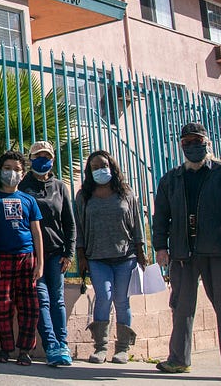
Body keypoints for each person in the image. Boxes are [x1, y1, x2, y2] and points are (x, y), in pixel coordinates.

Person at [153, 122, 221, 385]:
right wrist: (161, 247)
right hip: (183, 254)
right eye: (187, 142)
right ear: (181, 146)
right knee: (181, 307)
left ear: (207, 143)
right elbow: (161, 216)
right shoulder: (171, 179)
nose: (193, 146)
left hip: (219, 252)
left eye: (197, 141)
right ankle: (178, 360)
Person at [75, 150, 148, 364]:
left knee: (122, 300)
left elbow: (136, 224)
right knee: (104, 297)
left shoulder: (126, 192)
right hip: (97, 257)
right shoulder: (84, 195)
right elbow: (79, 227)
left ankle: (123, 349)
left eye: (103, 165)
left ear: (112, 166)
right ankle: (101, 347)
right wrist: (81, 255)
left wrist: (142, 252)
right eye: (94, 167)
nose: (100, 170)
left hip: (125, 256)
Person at [19, 140, 75, 366]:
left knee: (57, 299)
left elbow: (69, 223)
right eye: (37, 156)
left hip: (56, 253)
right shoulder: (23, 186)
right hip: (32, 254)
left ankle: (63, 344)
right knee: (41, 299)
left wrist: (69, 252)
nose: (42, 159)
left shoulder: (60, 187)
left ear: (52, 159)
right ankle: (50, 345)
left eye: (46, 156)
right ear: (31, 159)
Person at [0, 150, 43, 366]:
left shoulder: (28, 200)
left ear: (23, 174)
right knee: (3, 303)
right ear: (0, 170)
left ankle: (25, 350)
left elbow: (36, 232)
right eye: (7, 168)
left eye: (17, 169)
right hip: (2, 258)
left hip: (26, 257)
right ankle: (6, 348)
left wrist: (39, 263)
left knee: (29, 305)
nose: (12, 173)